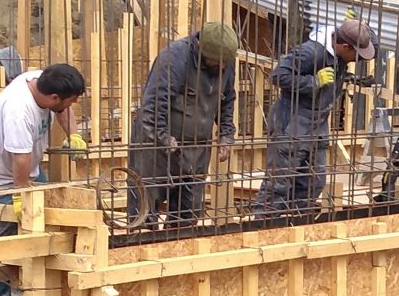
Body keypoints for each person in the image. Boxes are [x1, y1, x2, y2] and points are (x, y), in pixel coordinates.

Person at [0, 63, 86, 296]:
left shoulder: (41, 81)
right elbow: (20, 159)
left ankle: (31, 293)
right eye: (67, 101)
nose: (68, 107)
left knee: (40, 234)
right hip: (3, 180)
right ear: (52, 98)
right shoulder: (17, 109)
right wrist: (20, 195)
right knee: (0, 244)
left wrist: (75, 135)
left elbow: (64, 109)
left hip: (30, 172)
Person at [252, 18, 377, 219]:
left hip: (317, 125)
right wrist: (313, 82)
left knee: (313, 182)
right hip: (292, 123)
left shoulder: (342, 52)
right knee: (278, 184)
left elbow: (372, 45)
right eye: (356, 54)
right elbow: (278, 76)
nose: (358, 60)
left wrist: (358, 25)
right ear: (345, 46)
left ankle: (294, 224)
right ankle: (264, 227)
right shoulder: (310, 52)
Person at [127, 20, 240, 230]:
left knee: (187, 217)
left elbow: (227, 100)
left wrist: (226, 134)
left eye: (226, 62)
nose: (223, 67)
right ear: (201, 49)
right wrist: (162, 138)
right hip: (156, 144)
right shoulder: (174, 58)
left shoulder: (225, 60)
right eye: (218, 62)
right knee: (144, 213)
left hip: (196, 147)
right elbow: (153, 105)